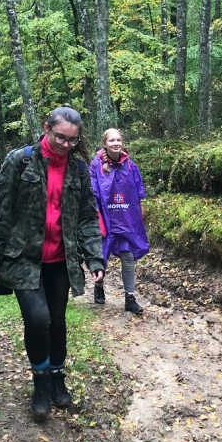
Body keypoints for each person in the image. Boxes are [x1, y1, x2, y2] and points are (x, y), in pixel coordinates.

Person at [0, 106, 105, 422]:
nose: (66, 145)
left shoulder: (77, 169)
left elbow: (87, 217)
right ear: (47, 128)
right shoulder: (20, 161)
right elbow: (0, 210)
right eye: (60, 137)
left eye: (72, 140)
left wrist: (94, 257)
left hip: (61, 259)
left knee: (57, 321)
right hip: (24, 257)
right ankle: (41, 382)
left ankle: (57, 377)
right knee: (38, 319)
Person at [89, 128, 148, 314]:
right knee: (102, 257)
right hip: (106, 218)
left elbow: (137, 194)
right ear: (104, 144)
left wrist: (138, 218)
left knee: (127, 257)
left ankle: (130, 297)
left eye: (118, 140)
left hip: (126, 219)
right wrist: (96, 218)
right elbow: (92, 193)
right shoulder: (96, 165)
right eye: (112, 140)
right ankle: (99, 285)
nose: (116, 143)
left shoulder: (130, 165)